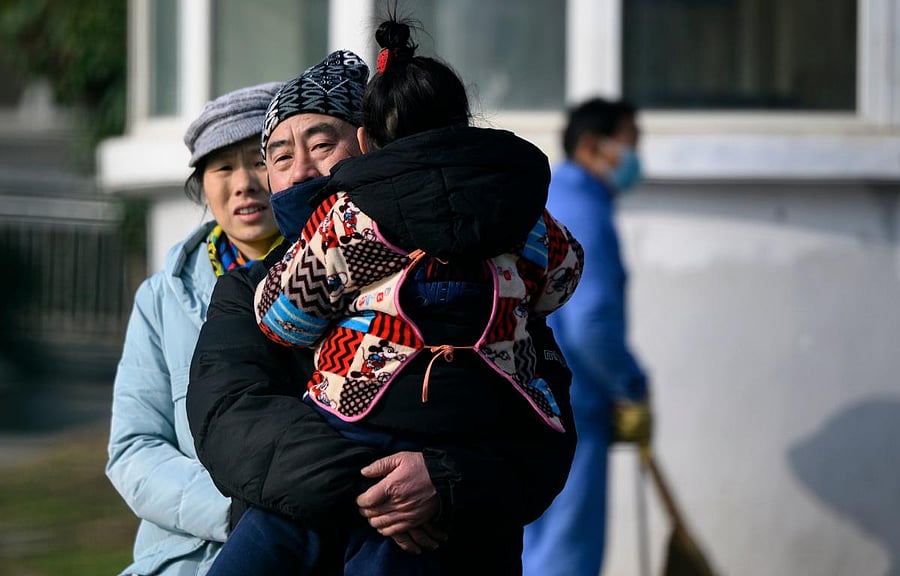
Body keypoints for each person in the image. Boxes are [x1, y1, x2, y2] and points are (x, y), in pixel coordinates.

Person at [187, 47, 577, 575]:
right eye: (278, 157)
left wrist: (445, 480)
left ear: (368, 144)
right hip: (317, 527)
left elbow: (547, 443)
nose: (301, 172)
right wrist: (392, 489)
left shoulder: (349, 227)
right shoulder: (242, 289)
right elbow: (233, 422)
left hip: (453, 547)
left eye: (322, 145)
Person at [105, 81, 284, 575]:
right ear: (201, 184)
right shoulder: (161, 300)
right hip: (183, 559)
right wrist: (232, 512)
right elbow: (134, 449)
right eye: (222, 167)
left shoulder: (332, 279)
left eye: (260, 160)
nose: (243, 183)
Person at [522, 97, 651, 576]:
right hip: (573, 406)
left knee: (530, 544)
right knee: (567, 550)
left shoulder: (548, 198)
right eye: (630, 144)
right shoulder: (586, 210)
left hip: (529, 396)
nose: (636, 158)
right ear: (594, 146)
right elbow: (592, 320)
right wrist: (631, 386)